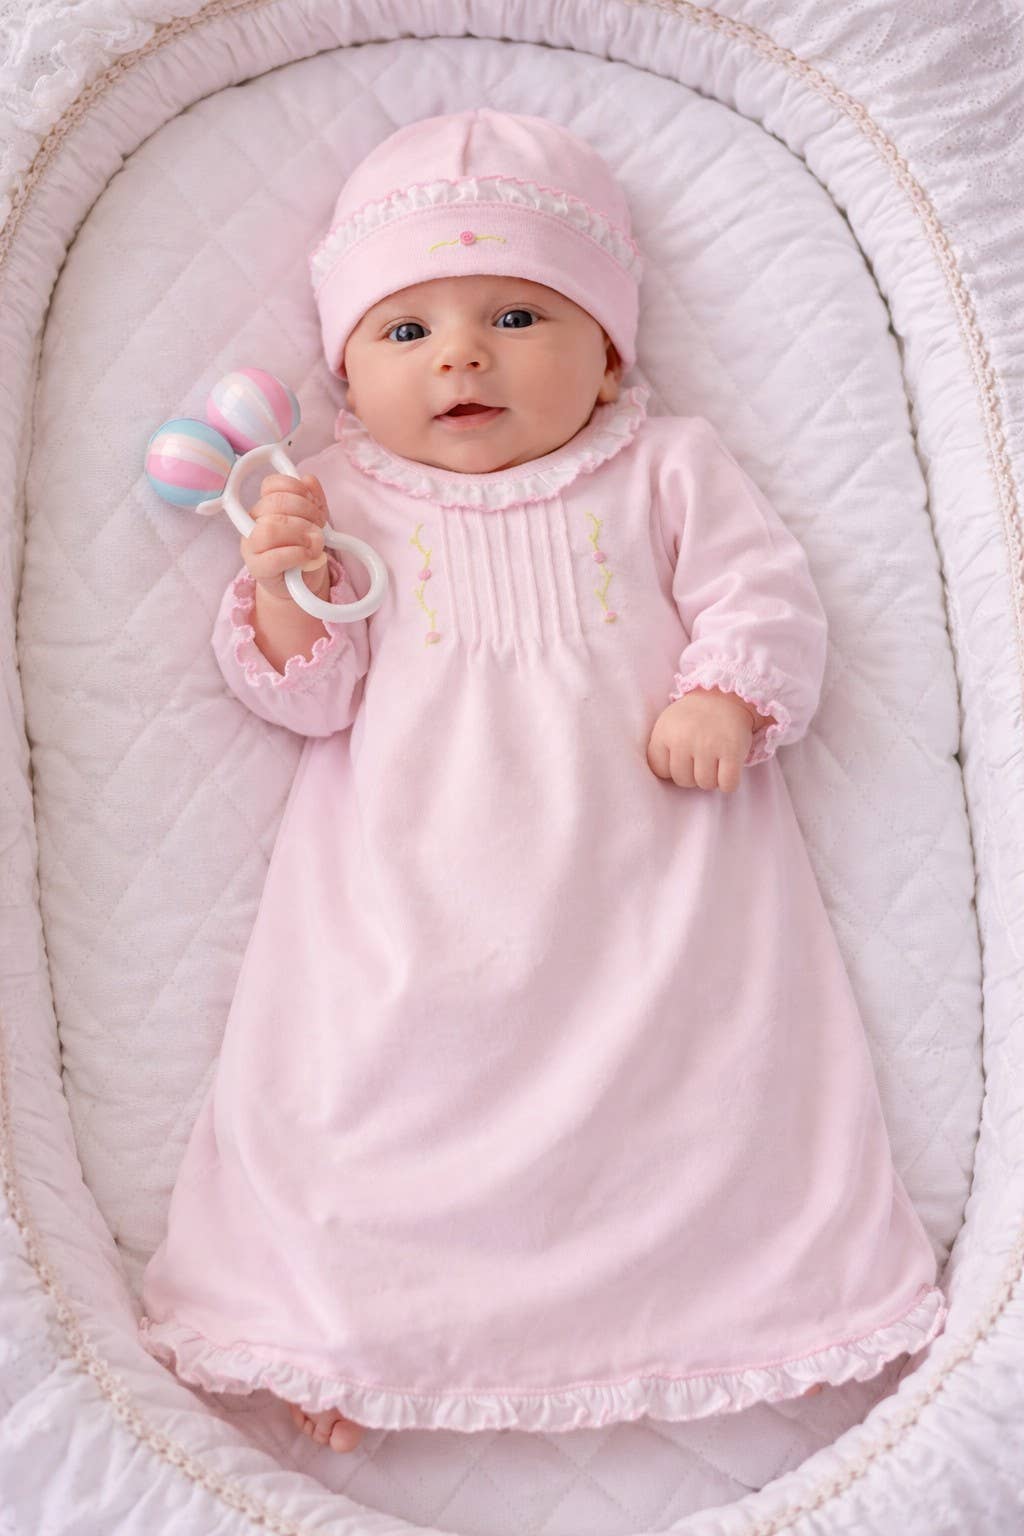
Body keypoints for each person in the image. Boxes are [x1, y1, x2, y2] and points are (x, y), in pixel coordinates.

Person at [138, 109, 946, 1456]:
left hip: (648, 891)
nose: (461, 354)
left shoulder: (665, 466)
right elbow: (310, 698)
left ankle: (747, 1316)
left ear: (610, 351)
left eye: (518, 316)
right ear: (345, 375)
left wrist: (727, 692)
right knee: (357, 1108)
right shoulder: (335, 497)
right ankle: (344, 1333)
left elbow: (765, 593)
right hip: (409, 908)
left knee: (704, 1093)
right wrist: (281, 583)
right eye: (406, 329)